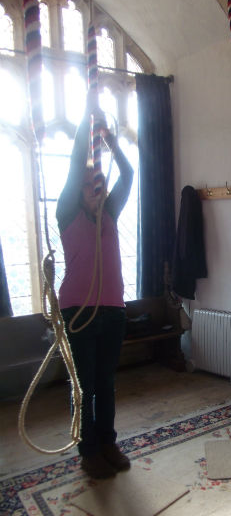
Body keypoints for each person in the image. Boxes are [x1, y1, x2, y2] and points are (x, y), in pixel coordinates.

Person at [56, 93, 134, 478]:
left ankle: (107, 442)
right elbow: (74, 169)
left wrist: (111, 140)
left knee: (106, 383)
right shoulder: (67, 213)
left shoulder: (110, 213)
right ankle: (88, 451)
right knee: (86, 385)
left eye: (99, 181)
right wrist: (88, 122)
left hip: (112, 310)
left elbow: (129, 174)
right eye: (88, 182)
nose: (95, 186)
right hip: (78, 311)